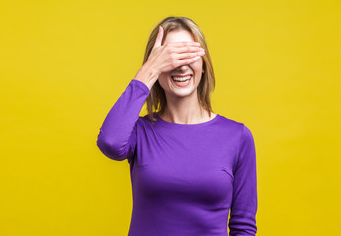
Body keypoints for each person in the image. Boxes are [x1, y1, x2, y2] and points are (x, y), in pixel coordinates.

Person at [97, 16, 258, 236]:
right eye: (171, 57)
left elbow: (243, 227)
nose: (181, 66)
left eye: (189, 54)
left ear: (204, 65)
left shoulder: (237, 136)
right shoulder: (139, 132)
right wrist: (148, 71)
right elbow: (110, 142)